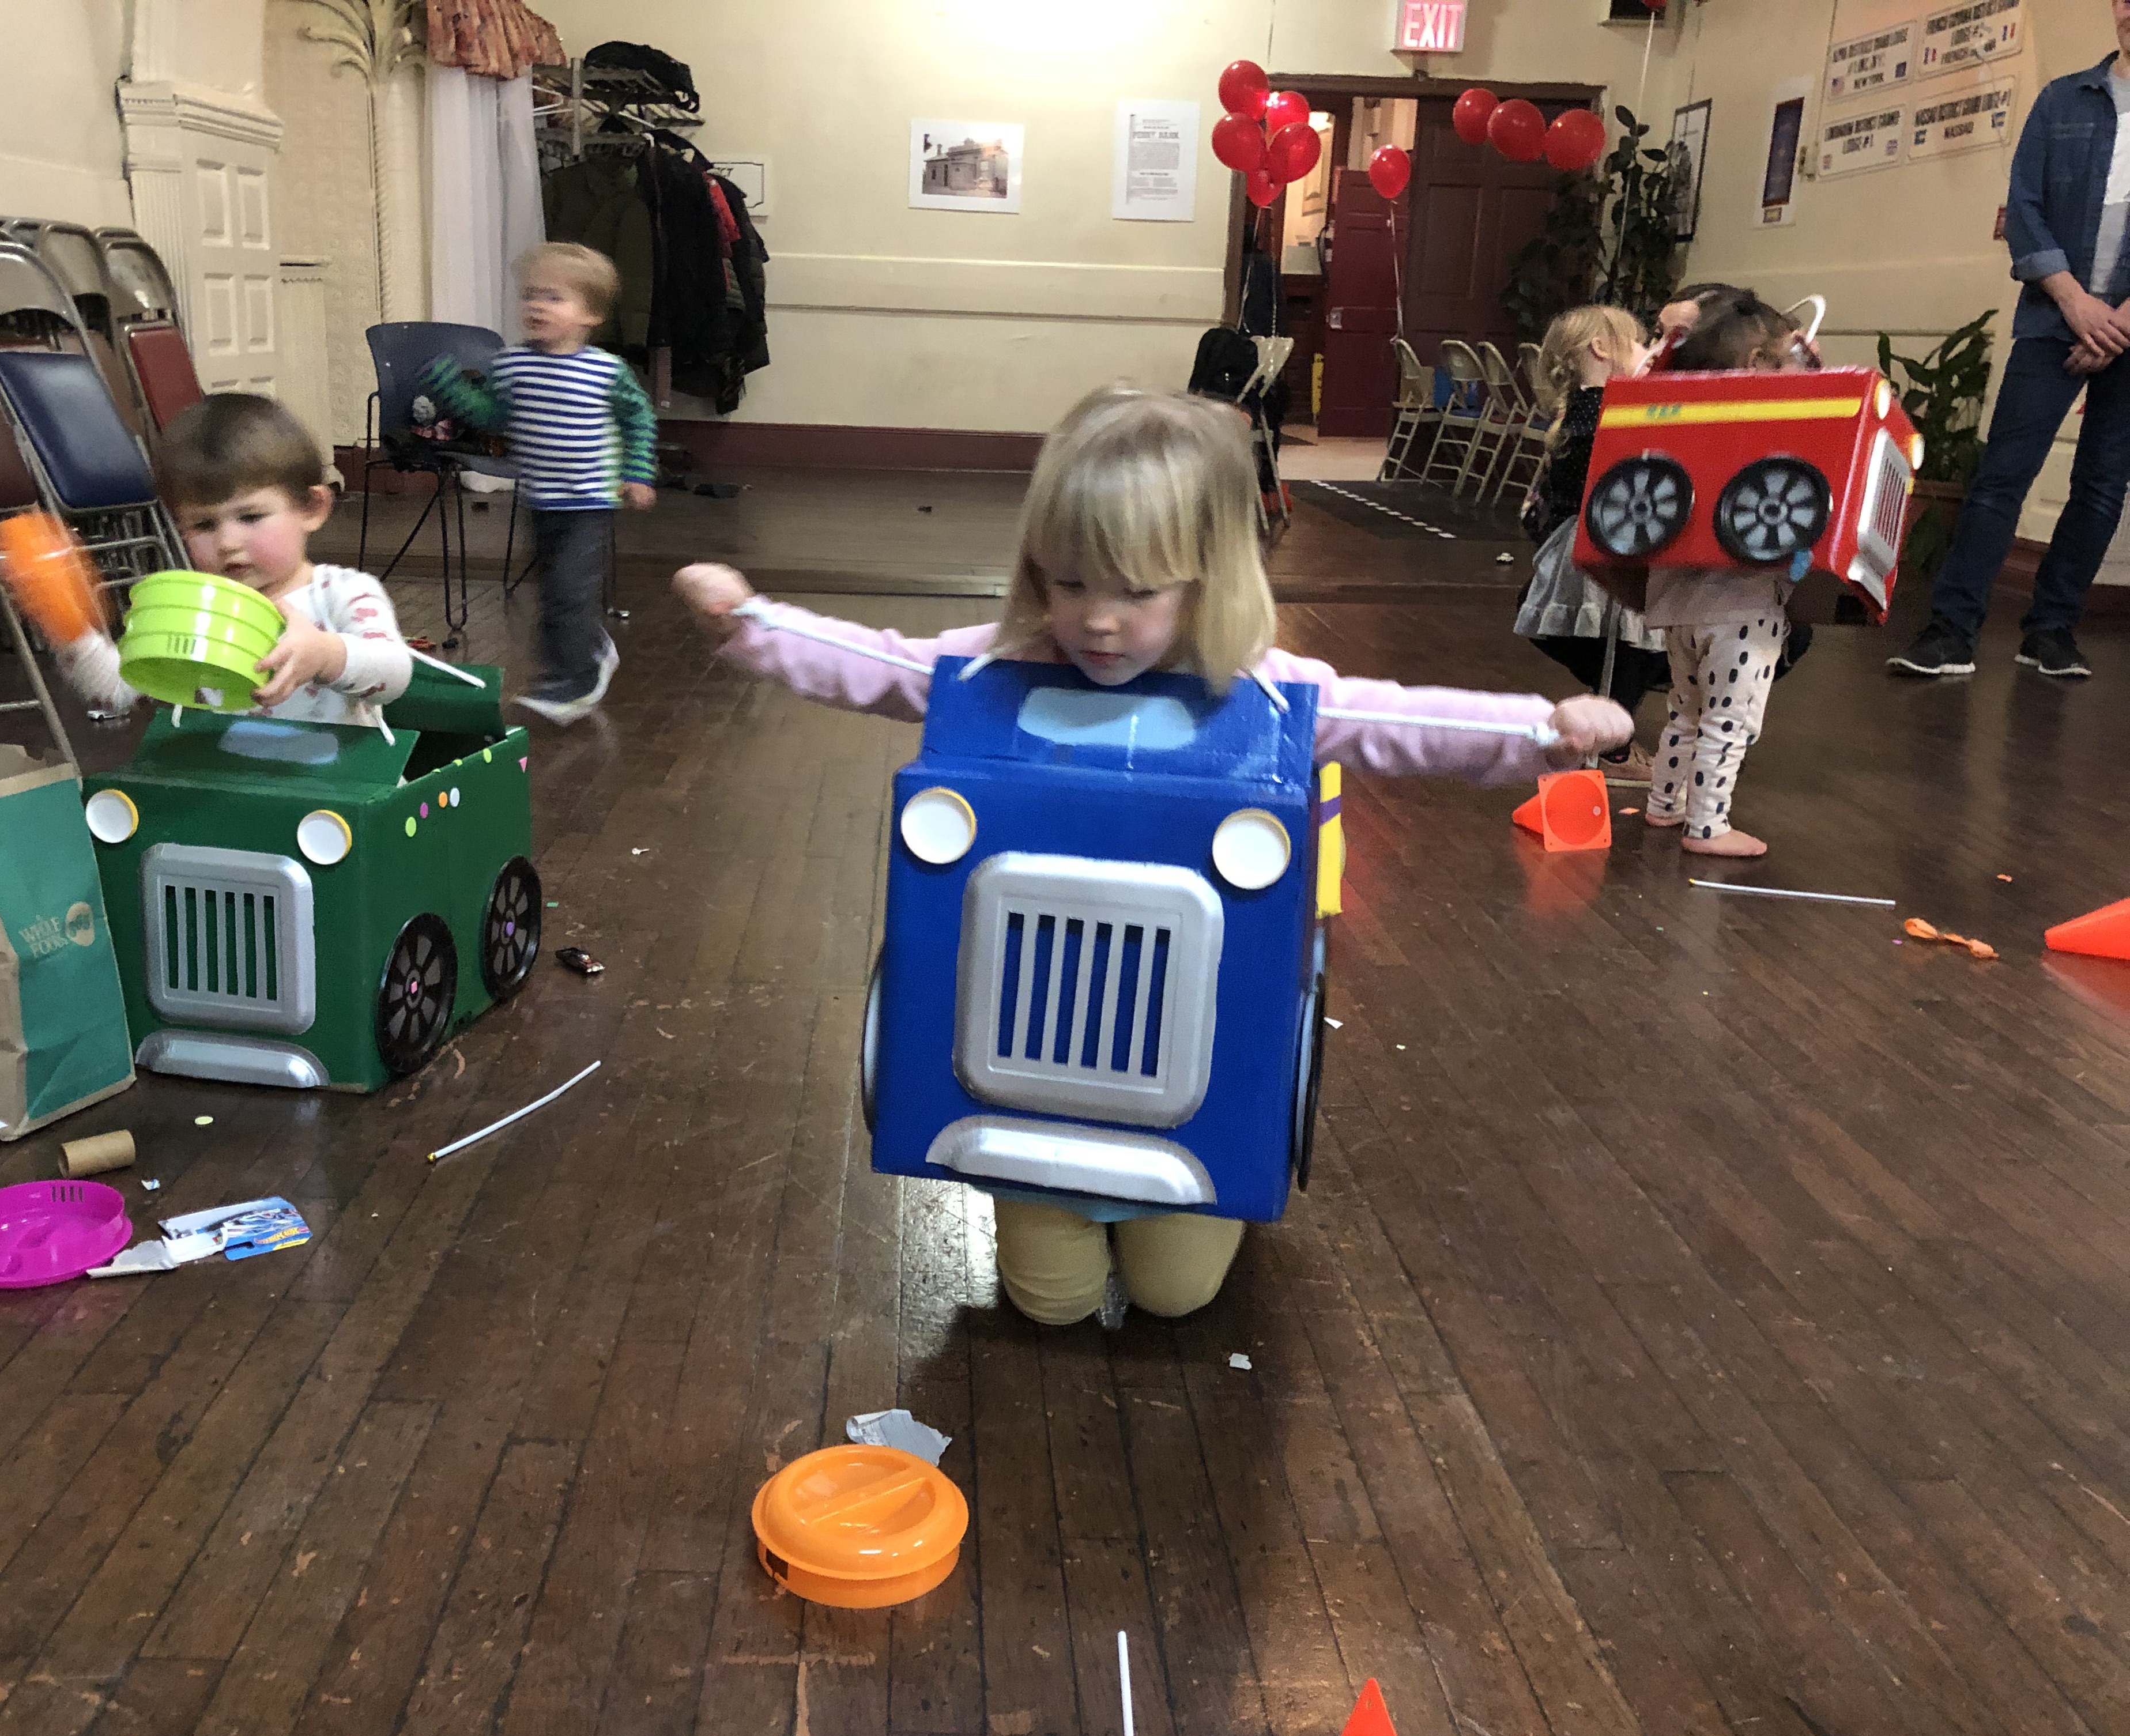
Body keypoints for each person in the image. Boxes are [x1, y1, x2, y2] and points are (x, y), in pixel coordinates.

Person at [670, 387, 1631, 1326]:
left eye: (1137, 590)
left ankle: (1195, 1203)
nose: (1097, 619)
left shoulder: (1260, 690)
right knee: (1052, 1302)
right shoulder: (1002, 665)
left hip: (1193, 1071)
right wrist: (753, 626)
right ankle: (1049, 1195)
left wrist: (1540, 733)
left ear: (1207, 579)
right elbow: (880, 663)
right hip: (1022, 1070)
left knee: (1177, 1296)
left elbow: (1395, 722)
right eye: (1070, 581)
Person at [1890, 2, 2130, 682]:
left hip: (2127, 333)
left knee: (2102, 487)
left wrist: (2115, 326)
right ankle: (1951, 632)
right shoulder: (2062, 101)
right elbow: (2025, 208)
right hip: (2055, 316)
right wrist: (2076, 304)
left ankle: (2051, 632)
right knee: (2001, 480)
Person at [57, 394, 411, 727]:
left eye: (251, 517)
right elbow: (122, 687)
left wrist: (326, 655)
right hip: (236, 769)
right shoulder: (197, 608)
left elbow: (395, 674)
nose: (227, 543)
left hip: (341, 770)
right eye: (204, 525)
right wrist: (68, 627)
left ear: (311, 508)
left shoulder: (341, 592)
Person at [1642, 298, 1805, 859]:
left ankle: (1665, 804)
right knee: (1729, 722)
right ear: (1758, 362)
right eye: (1785, 361)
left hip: (1677, 604)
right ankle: (1707, 826)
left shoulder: (1685, 417)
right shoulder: (1773, 430)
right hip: (1743, 609)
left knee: (1685, 713)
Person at [474, 241, 658, 723]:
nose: (537, 305)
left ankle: (575, 683)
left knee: (569, 591)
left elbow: (638, 420)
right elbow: (493, 418)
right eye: (531, 295)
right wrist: (454, 394)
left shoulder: (606, 371)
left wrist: (638, 473)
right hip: (539, 499)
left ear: (590, 315)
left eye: (554, 297)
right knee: (555, 591)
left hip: (589, 501)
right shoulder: (510, 365)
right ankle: (588, 649)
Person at [1514, 304, 1666, 782]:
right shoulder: (1606, 411)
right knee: (1628, 643)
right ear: (1601, 349)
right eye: (1637, 341)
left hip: (1587, 541)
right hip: (1604, 543)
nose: (1645, 351)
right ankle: (1612, 749)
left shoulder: (1583, 408)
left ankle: (1611, 729)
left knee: (1625, 647)